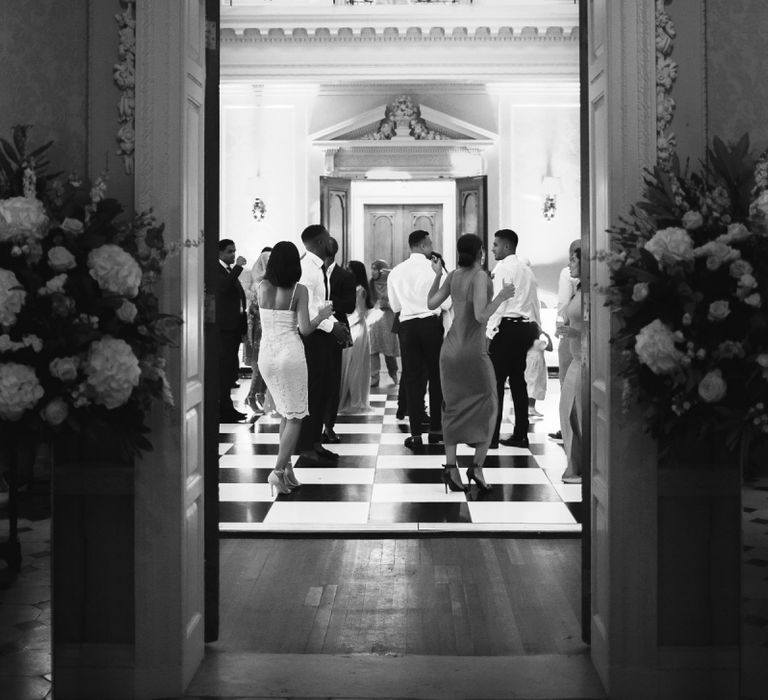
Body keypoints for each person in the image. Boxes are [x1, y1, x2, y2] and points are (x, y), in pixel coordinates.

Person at [427, 234, 516, 492]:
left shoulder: (453, 275)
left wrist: (436, 275)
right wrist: (501, 296)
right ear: (480, 253)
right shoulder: (479, 276)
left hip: (450, 349)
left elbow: (430, 302)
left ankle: (451, 468)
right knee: (490, 404)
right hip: (472, 351)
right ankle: (476, 466)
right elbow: (480, 315)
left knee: (453, 407)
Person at [257, 241, 335, 494]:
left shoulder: (262, 286)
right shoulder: (298, 290)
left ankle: (287, 469)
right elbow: (305, 329)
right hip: (289, 354)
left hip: (267, 354)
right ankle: (277, 471)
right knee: (296, 416)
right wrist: (322, 315)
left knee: (285, 413)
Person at [388, 229, 449, 449]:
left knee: (412, 378)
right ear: (423, 246)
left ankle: (415, 434)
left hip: (407, 326)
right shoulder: (435, 269)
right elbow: (446, 303)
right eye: (430, 244)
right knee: (436, 375)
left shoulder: (396, 271)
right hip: (430, 324)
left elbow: (395, 306)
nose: (431, 247)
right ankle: (435, 430)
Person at [297, 224, 353, 464]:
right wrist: (333, 326)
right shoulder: (307, 270)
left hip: (324, 333)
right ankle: (306, 445)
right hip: (313, 336)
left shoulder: (317, 268)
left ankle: (316, 441)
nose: (332, 241)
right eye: (328, 237)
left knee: (323, 391)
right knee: (314, 391)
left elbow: (322, 304)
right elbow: (309, 311)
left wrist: (333, 323)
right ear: (320, 242)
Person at [486, 229, 541, 449]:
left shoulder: (503, 268)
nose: (493, 249)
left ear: (507, 246)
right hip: (525, 329)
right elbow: (534, 301)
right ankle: (521, 434)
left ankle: (491, 438)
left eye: (496, 245)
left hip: (507, 328)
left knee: (496, 383)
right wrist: (537, 328)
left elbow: (499, 304)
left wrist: (489, 335)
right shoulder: (527, 271)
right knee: (518, 382)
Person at [322, 237, 356, 443]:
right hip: (314, 330)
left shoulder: (345, 275)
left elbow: (350, 305)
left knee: (333, 381)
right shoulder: (309, 273)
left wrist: (326, 304)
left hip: (337, 332)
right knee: (316, 381)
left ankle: (329, 426)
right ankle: (313, 426)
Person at [549, 239, 581, 443]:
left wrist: (562, 327)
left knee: (569, 391)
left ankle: (570, 431)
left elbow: (562, 305)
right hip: (574, 338)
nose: (570, 264)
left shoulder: (567, 275)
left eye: (573, 259)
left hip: (576, 343)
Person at [559, 243, 583, 484]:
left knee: (574, 412)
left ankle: (579, 465)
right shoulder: (579, 289)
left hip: (584, 359)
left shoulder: (588, 293)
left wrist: (574, 333)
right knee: (567, 410)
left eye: (573, 260)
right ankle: (574, 464)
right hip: (576, 357)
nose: (569, 264)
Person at [216, 238, 247, 422]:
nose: (233, 255)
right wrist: (238, 267)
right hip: (224, 329)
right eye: (229, 251)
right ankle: (224, 409)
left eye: (234, 251)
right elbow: (223, 288)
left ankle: (228, 408)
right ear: (219, 253)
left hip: (233, 328)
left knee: (230, 369)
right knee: (224, 370)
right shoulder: (217, 270)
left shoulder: (227, 271)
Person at [339, 260, 373, 413]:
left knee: (355, 367)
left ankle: (354, 399)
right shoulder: (350, 288)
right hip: (350, 327)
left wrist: (344, 325)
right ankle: (346, 398)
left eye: (348, 269)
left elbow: (358, 313)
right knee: (346, 365)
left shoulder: (360, 290)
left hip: (356, 329)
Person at [245, 247, 271, 417]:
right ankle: (251, 397)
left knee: (266, 366)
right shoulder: (258, 284)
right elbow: (255, 310)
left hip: (268, 328)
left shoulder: (269, 283)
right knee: (259, 367)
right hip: (259, 331)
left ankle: (260, 395)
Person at [368, 259, 400, 388]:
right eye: (372, 269)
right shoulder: (370, 283)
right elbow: (368, 301)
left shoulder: (392, 283)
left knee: (389, 350)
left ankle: (394, 374)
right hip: (374, 321)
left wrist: (386, 304)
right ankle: (374, 377)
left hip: (388, 319)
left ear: (382, 271)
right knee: (373, 349)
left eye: (375, 269)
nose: (373, 272)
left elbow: (398, 303)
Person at [525, 328, 553, 419]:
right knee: (535, 386)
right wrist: (548, 337)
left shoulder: (527, 341)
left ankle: (528, 407)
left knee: (529, 386)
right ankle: (531, 408)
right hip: (537, 367)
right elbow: (550, 348)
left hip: (528, 365)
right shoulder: (539, 343)